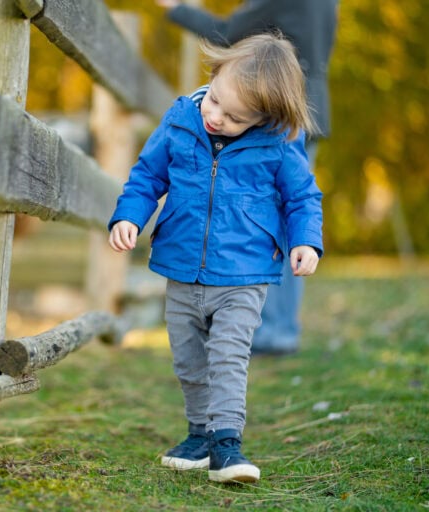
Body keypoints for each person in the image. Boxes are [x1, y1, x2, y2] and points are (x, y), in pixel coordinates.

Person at [108, 34, 323, 483]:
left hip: (243, 274)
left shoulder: (279, 142)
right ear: (214, 75)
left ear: (265, 118)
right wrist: (129, 216)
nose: (217, 117)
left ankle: (227, 443)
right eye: (217, 102)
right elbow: (148, 175)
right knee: (188, 359)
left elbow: (302, 196)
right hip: (183, 267)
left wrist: (306, 241)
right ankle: (199, 436)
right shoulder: (182, 118)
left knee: (227, 355)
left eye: (234, 117)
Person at [156, 0, 338, 355]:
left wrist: (177, 7)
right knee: (285, 216)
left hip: (271, 114)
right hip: (303, 106)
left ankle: (269, 327)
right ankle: (275, 326)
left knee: (261, 216)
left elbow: (227, 36)